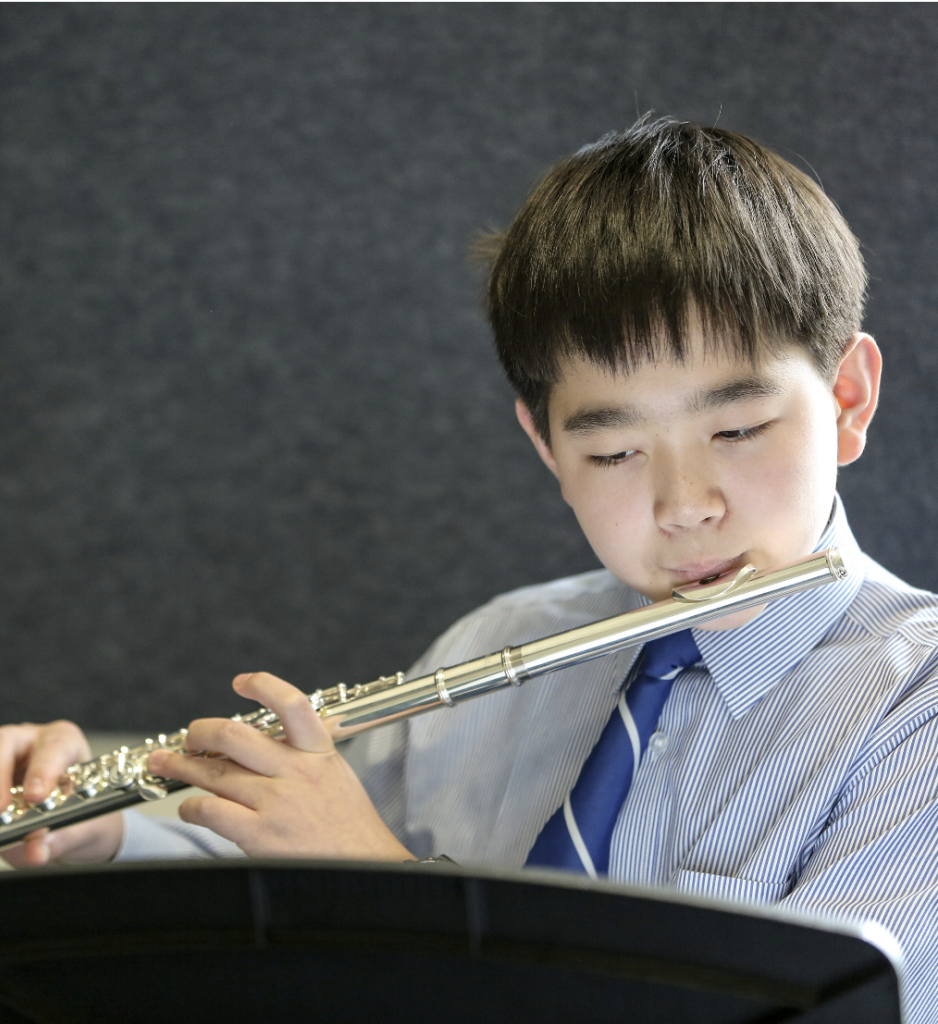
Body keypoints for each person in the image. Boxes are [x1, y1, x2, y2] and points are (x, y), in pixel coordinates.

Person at [3, 117, 938, 1020]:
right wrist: (101, 832)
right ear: (544, 445)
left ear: (848, 399)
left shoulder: (915, 707)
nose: (683, 503)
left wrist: (385, 893)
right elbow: (283, 886)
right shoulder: (501, 643)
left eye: (736, 430)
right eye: (613, 453)